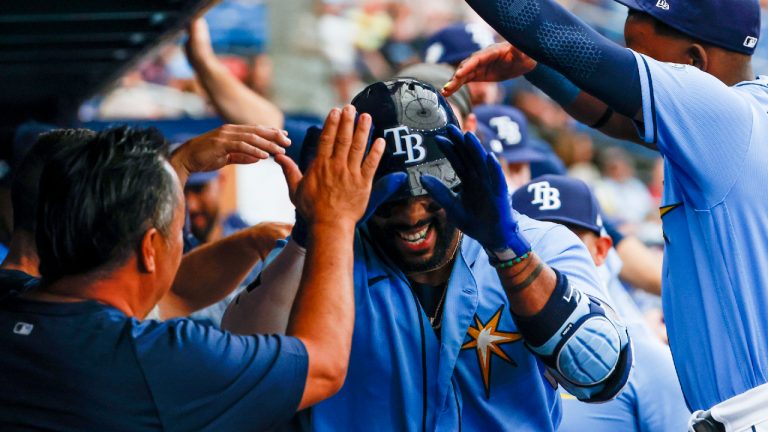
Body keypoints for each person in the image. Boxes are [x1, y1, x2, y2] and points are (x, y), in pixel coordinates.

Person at [223, 79, 631, 431]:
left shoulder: (541, 243)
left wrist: (509, 252)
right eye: (393, 197)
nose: (413, 214)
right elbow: (239, 365)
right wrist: (312, 234)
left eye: (429, 190)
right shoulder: (326, 250)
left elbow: (600, 374)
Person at [443, 1, 768, 428]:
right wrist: (537, 65)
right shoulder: (747, 110)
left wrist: (540, 44)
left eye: (641, 59)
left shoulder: (720, 117)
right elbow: (616, 118)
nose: (631, 76)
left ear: (695, 63)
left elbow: (576, 48)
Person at [0, 110, 385, 430]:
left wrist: (180, 166)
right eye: (178, 232)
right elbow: (322, 366)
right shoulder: (152, 360)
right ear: (150, 248)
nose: (183, 243)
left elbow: (171, 292)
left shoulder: (13, 295)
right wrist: (331, 221)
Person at [0, 124, 289, 320]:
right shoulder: (85, 320)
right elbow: (173, 295)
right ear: (90, 208)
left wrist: (255, 239)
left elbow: (177, 291)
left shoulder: (45, 300)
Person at [513, 174, 689, 432]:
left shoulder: (646, 358)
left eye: (568, 241)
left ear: (602, 249)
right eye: (534, 243)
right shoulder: (484, 345)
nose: (550, 255)